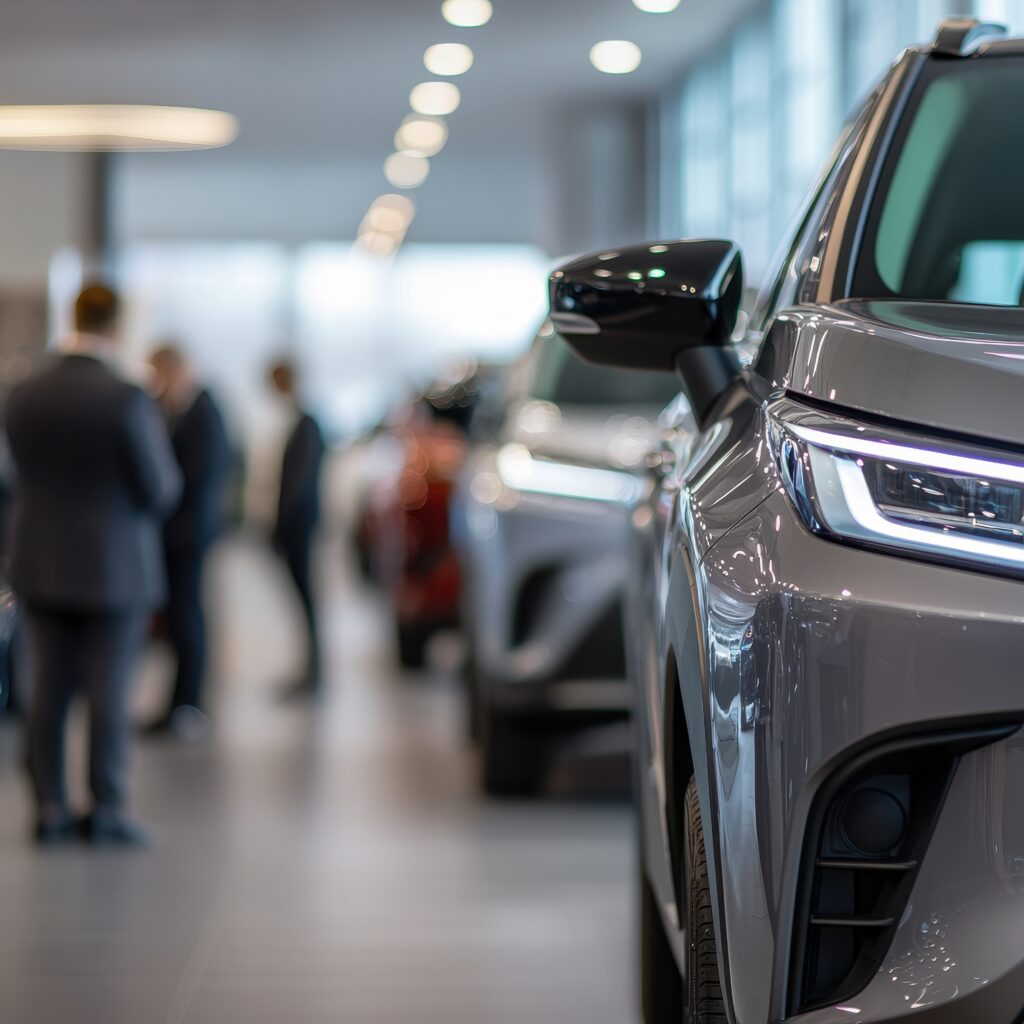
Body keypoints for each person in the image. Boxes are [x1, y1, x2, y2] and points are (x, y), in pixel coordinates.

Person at [5, 283, 182, 846]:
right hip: (114, 566)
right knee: (109, 692)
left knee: (46, 689)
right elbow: (158, 488)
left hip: (38, 560)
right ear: (117, 325)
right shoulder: (126, 397)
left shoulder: (23, 393)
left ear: (71, 316)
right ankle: (105, 808)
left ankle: (49, 808)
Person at [141, 345, 231, 741]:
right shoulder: (181, 409)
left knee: (188, 618)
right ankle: (177, 703)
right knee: (180, 619)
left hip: (189, 534)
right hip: (179, 533)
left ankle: (189, 706)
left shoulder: (203, 411)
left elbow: (194, 478)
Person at [268, 359, 325, 700]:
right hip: (296, 525)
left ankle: (314, 672)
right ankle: (310, 670)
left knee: (306, 598)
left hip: (299, 527)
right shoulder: (300, 423)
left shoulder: (306, 424)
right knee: (302, 599)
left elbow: (299, 486)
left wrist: (282, 524)